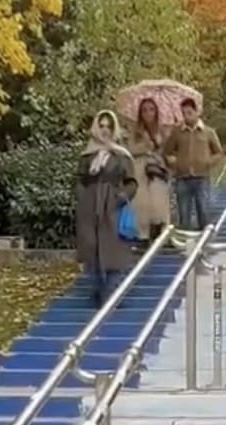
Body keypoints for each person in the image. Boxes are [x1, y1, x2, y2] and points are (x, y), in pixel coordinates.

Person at [75, 110, 138, 308]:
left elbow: (132, 182)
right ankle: (97, 291)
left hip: (112, 205)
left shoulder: (121, 155)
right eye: (101, 125)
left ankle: (111, 294)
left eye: (108, 126)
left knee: (114, 249)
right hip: (90, 206)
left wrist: (122, 196)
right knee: (92, 248)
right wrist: (82, 197)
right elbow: (80, 179)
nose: (104, 130)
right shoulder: (87, 155)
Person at [164, 97, 223, 232]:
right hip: (182, 177)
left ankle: (203, 238)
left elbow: (219, 152)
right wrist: (173, 162)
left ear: (197, 112)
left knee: (203, 209)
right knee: (184, 212)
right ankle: (185, 240)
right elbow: (167, 152)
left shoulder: (208, 132)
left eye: (189, 113)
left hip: (201, 177)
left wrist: (208, 163)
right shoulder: (177, 132)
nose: (186, 116)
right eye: (183, 113)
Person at [128, 98, 172, 244]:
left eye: (151, 109)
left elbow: (167, 150)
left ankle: (162, 234)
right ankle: (143, 235)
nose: (148, 113)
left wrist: (162, 146)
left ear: (156, 111)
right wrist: (144, 147)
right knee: (142, 202)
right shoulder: (135, 130)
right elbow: (130, 150)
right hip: (140, 168)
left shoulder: (162, 129)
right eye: (145, 110)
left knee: (159, 201)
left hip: (157, 168)